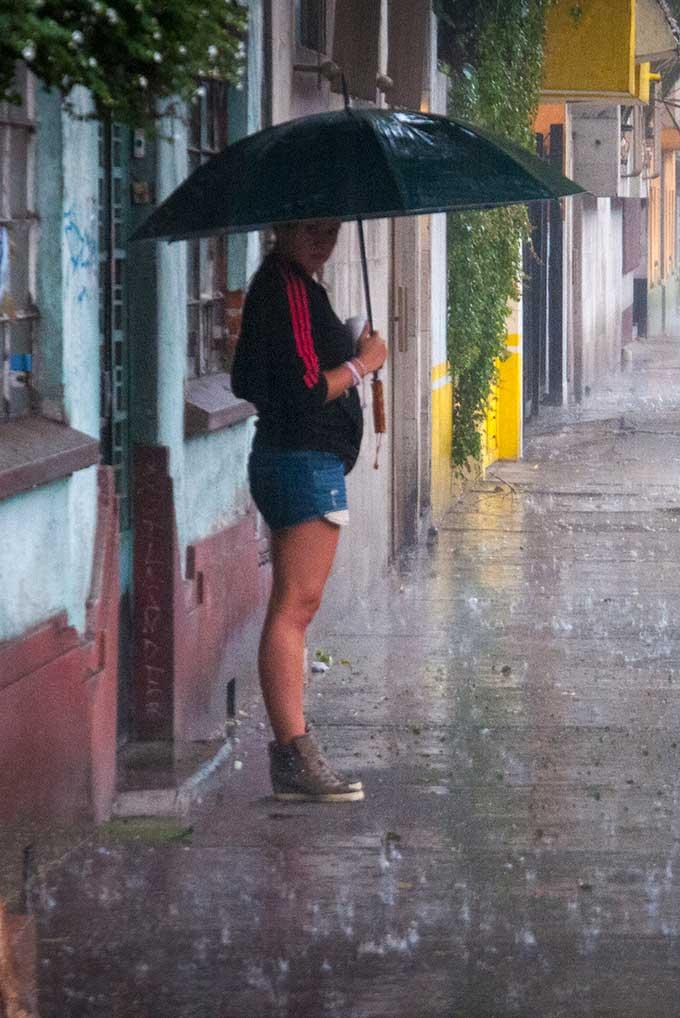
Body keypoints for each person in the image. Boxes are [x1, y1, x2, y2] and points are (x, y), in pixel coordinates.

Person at [229, 219, 388, 803]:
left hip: (296, 461)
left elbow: (249, 375)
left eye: (333, 230)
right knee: (295, 609)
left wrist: (344, 350)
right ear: (283, 228)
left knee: (296, 605)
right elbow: (298, 391)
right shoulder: (288, 286)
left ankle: (293, 753)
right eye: (312, 229)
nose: (325, 240)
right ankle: (293, 754)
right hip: (302, 462)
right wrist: (361, 365)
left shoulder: (292, 287)